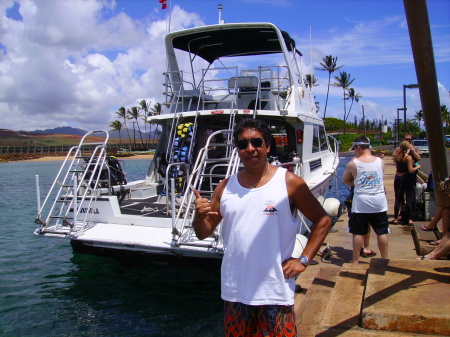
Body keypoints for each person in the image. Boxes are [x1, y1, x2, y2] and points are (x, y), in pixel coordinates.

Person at [192, 118, 331, 336]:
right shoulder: (225, 186)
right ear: (237, 149)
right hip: (235, 291)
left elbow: (322, 220)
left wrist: (303, 260)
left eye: (256, 142)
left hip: (275, 291)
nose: (250, 149)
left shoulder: (289, 182)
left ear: (267, 145)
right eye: (243, 144)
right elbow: (203, 233)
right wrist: (198, 216)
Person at [343, 136, 389, 263]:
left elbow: (346, 180)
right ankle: (385, 259)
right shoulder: (380, 161)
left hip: (361, 201)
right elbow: (380, 177)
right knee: (382, 231)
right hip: (379, 200)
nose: (354, 152)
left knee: (357, 232)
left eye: (355, 149)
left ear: (358, 147)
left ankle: (355, 260)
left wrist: (358, 183)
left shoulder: (353, 163)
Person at [392, 141, 422, 225]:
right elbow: (410, 170)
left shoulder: (397, 156)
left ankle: (395, 218)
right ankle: (409, 219)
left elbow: (395, 160)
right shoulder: (408, 158)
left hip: (398, 177)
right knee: (409, 198)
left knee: (398, 198)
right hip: (406, 178)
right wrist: (417, 167)